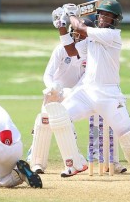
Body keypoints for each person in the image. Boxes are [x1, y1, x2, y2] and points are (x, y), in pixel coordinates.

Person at [46, 0, 130, 179]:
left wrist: (71, 15)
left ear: (115, 19)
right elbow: (70, 51)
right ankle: (76, 162)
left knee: (127, 133)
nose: (104, 18)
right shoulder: (91, 40)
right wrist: (62, 26)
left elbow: (82, 28)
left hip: (109, 95)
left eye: (109, 15)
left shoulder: (113, 35)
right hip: (86, 92)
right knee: (59, 116)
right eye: (102, 14)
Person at [27, 18, 93, 174]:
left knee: (65, 123)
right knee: (44, 121)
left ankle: (75, 159)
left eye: (81, 34)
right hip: (54, 92)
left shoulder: (91, 54)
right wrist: (52, 87)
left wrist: (70, 92)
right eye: (76, 33)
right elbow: (47, 74)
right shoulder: (61, 49)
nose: (78, 37)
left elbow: (85, 80)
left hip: (74, 93)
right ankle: (36, 161)